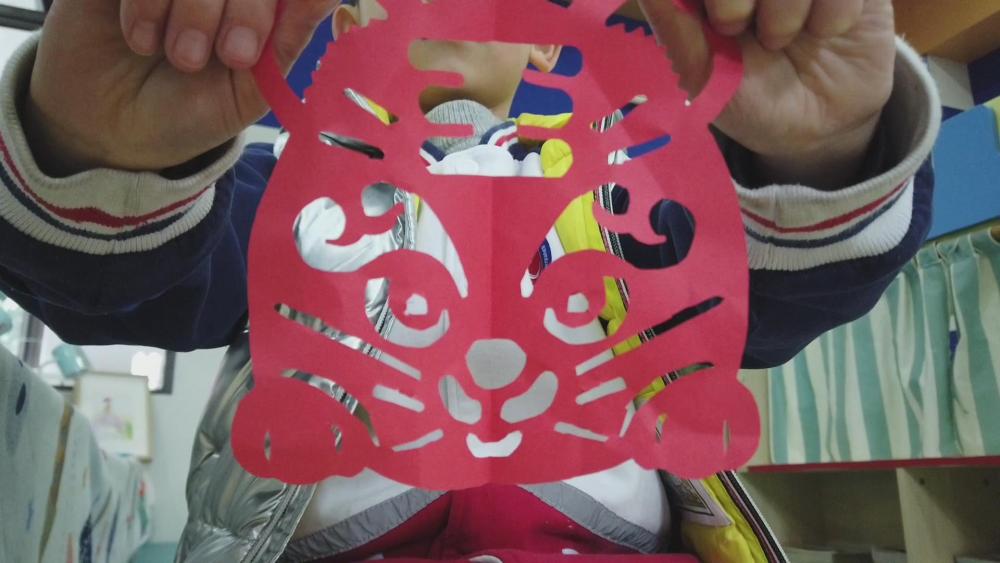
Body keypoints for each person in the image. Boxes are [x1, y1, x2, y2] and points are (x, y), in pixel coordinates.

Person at [0, 0, 939, 561]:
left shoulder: (622, 192)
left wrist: (824, 152)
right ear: (354, 24)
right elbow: (136, 286)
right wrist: (94, 154)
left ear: (545, 43)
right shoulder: (287, 185)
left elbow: (763, 307)